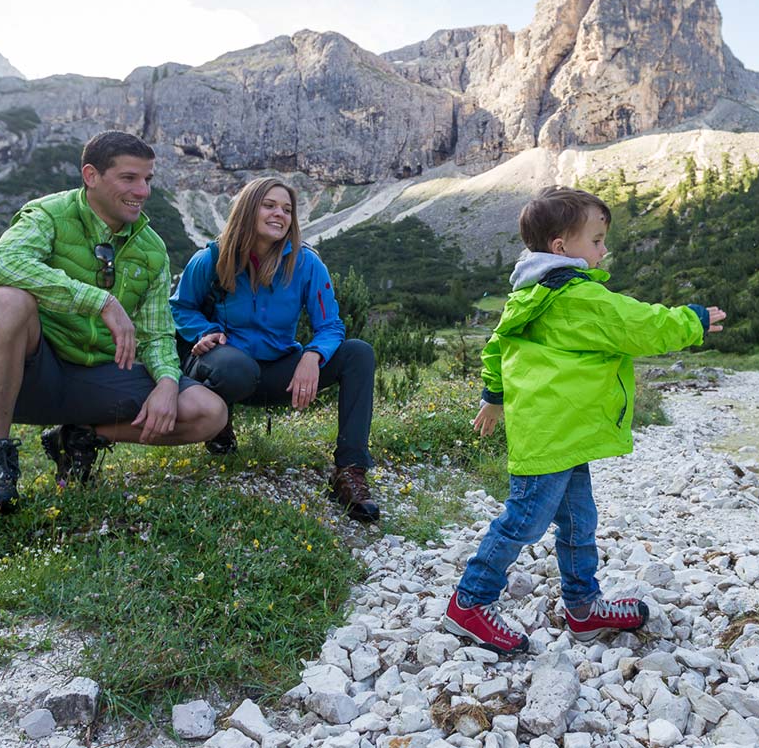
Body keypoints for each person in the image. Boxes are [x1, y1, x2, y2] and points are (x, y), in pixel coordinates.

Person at [443, 186, 726, 653]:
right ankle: (469, 602)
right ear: (561, 248)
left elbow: (496, 345)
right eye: (596, 241)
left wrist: (493, 395)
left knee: (578, 520)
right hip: (554, 433)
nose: (603, 250)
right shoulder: (577, 298)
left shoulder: (529, 293)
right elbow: (638, 324)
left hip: (560, 431)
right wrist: (692, 321)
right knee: (524, 520)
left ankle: (583, 607)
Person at [0, 131, 229, 512]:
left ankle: (79, 437)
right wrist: (98, 300)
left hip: (105, 374)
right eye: (129, 178)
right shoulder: (49, 214)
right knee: (5, 301)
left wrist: (169, 382)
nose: (143, 191)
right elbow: (0, 263)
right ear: (91, 176)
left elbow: (156, 334)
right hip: (39, 371)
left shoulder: (151, 247)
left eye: (148, 180)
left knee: (210, 412)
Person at [169, 177, 379, 523]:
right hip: (224, 366)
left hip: (277, 370)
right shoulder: (211, 257)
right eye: (269, 205)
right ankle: (219, 425)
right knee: (236, 368)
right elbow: (180, 307)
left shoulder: (307, 263)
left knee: (358, 353)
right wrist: (205, 331)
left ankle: (350, 471)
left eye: (287, 209)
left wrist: (313, 356)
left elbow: (330, 326)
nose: (280, 214)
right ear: (249, 209)